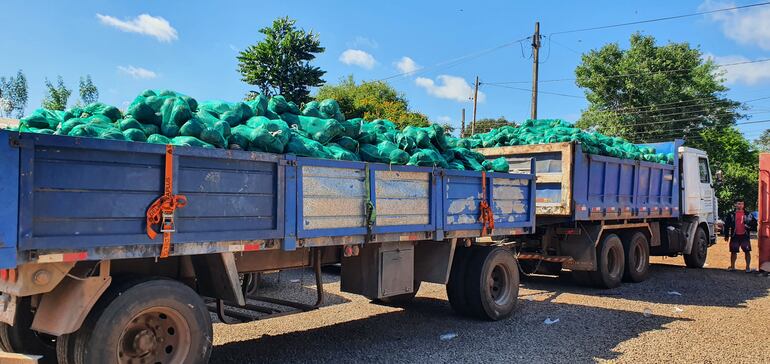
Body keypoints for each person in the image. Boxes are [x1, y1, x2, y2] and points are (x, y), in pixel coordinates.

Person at [723, 199, 758, 272]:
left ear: (743, 205)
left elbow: (755, 224)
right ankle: (732, 267)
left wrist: (748, 227)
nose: (740, 205)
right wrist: (726, 235)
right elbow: (726, 225)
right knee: (733, 252)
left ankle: (747, 268)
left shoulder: (748, 214)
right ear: (735, 205)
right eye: (738, 204)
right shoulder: (731, 214)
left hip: (744, 236)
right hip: (734, 235)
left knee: (747, 251)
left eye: (742, 204)